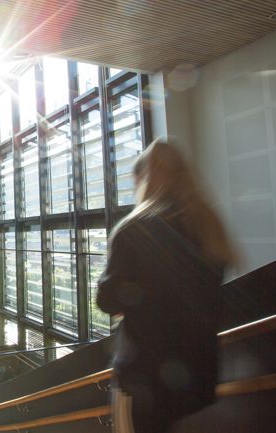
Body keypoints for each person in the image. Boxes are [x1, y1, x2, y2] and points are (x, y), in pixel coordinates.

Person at [97, 138, 236, 433]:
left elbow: (107, 300)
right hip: (198, 376)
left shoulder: (134, 231)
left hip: (144, 378)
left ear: (144, 178)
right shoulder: (208, 227)